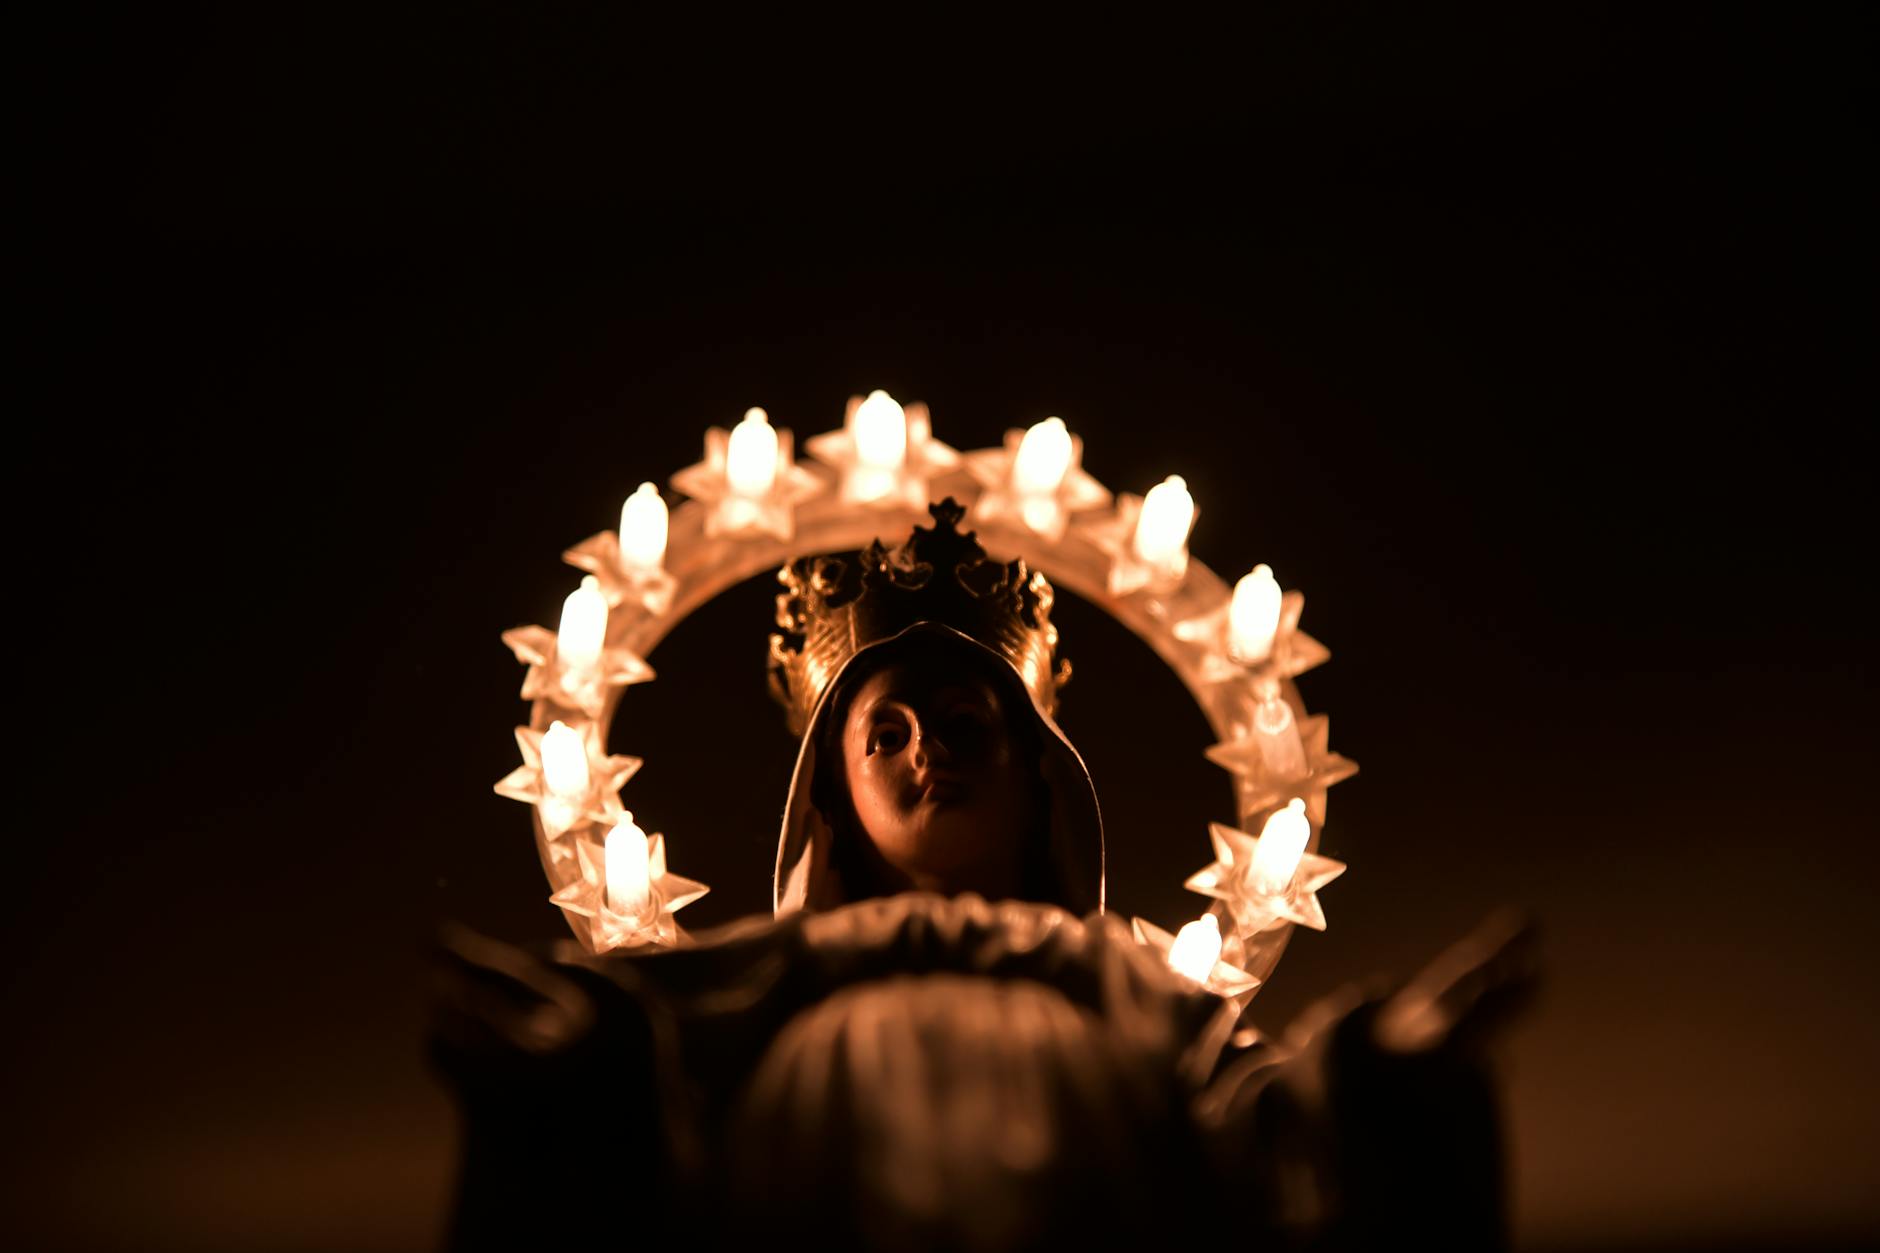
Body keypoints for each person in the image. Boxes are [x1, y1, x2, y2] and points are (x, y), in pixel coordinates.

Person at [430, 501, 1536, 1252]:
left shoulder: (1111, 976)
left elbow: (1254, 1122)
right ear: (831, 791)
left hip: (1083, 1162)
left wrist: (1376, 1068)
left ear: (1039, 769)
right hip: (817, 1161)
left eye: (964, 722)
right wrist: (569, 1064)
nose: (927, 752)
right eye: (886, 733)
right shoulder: (776, 977)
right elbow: (651, 1101)